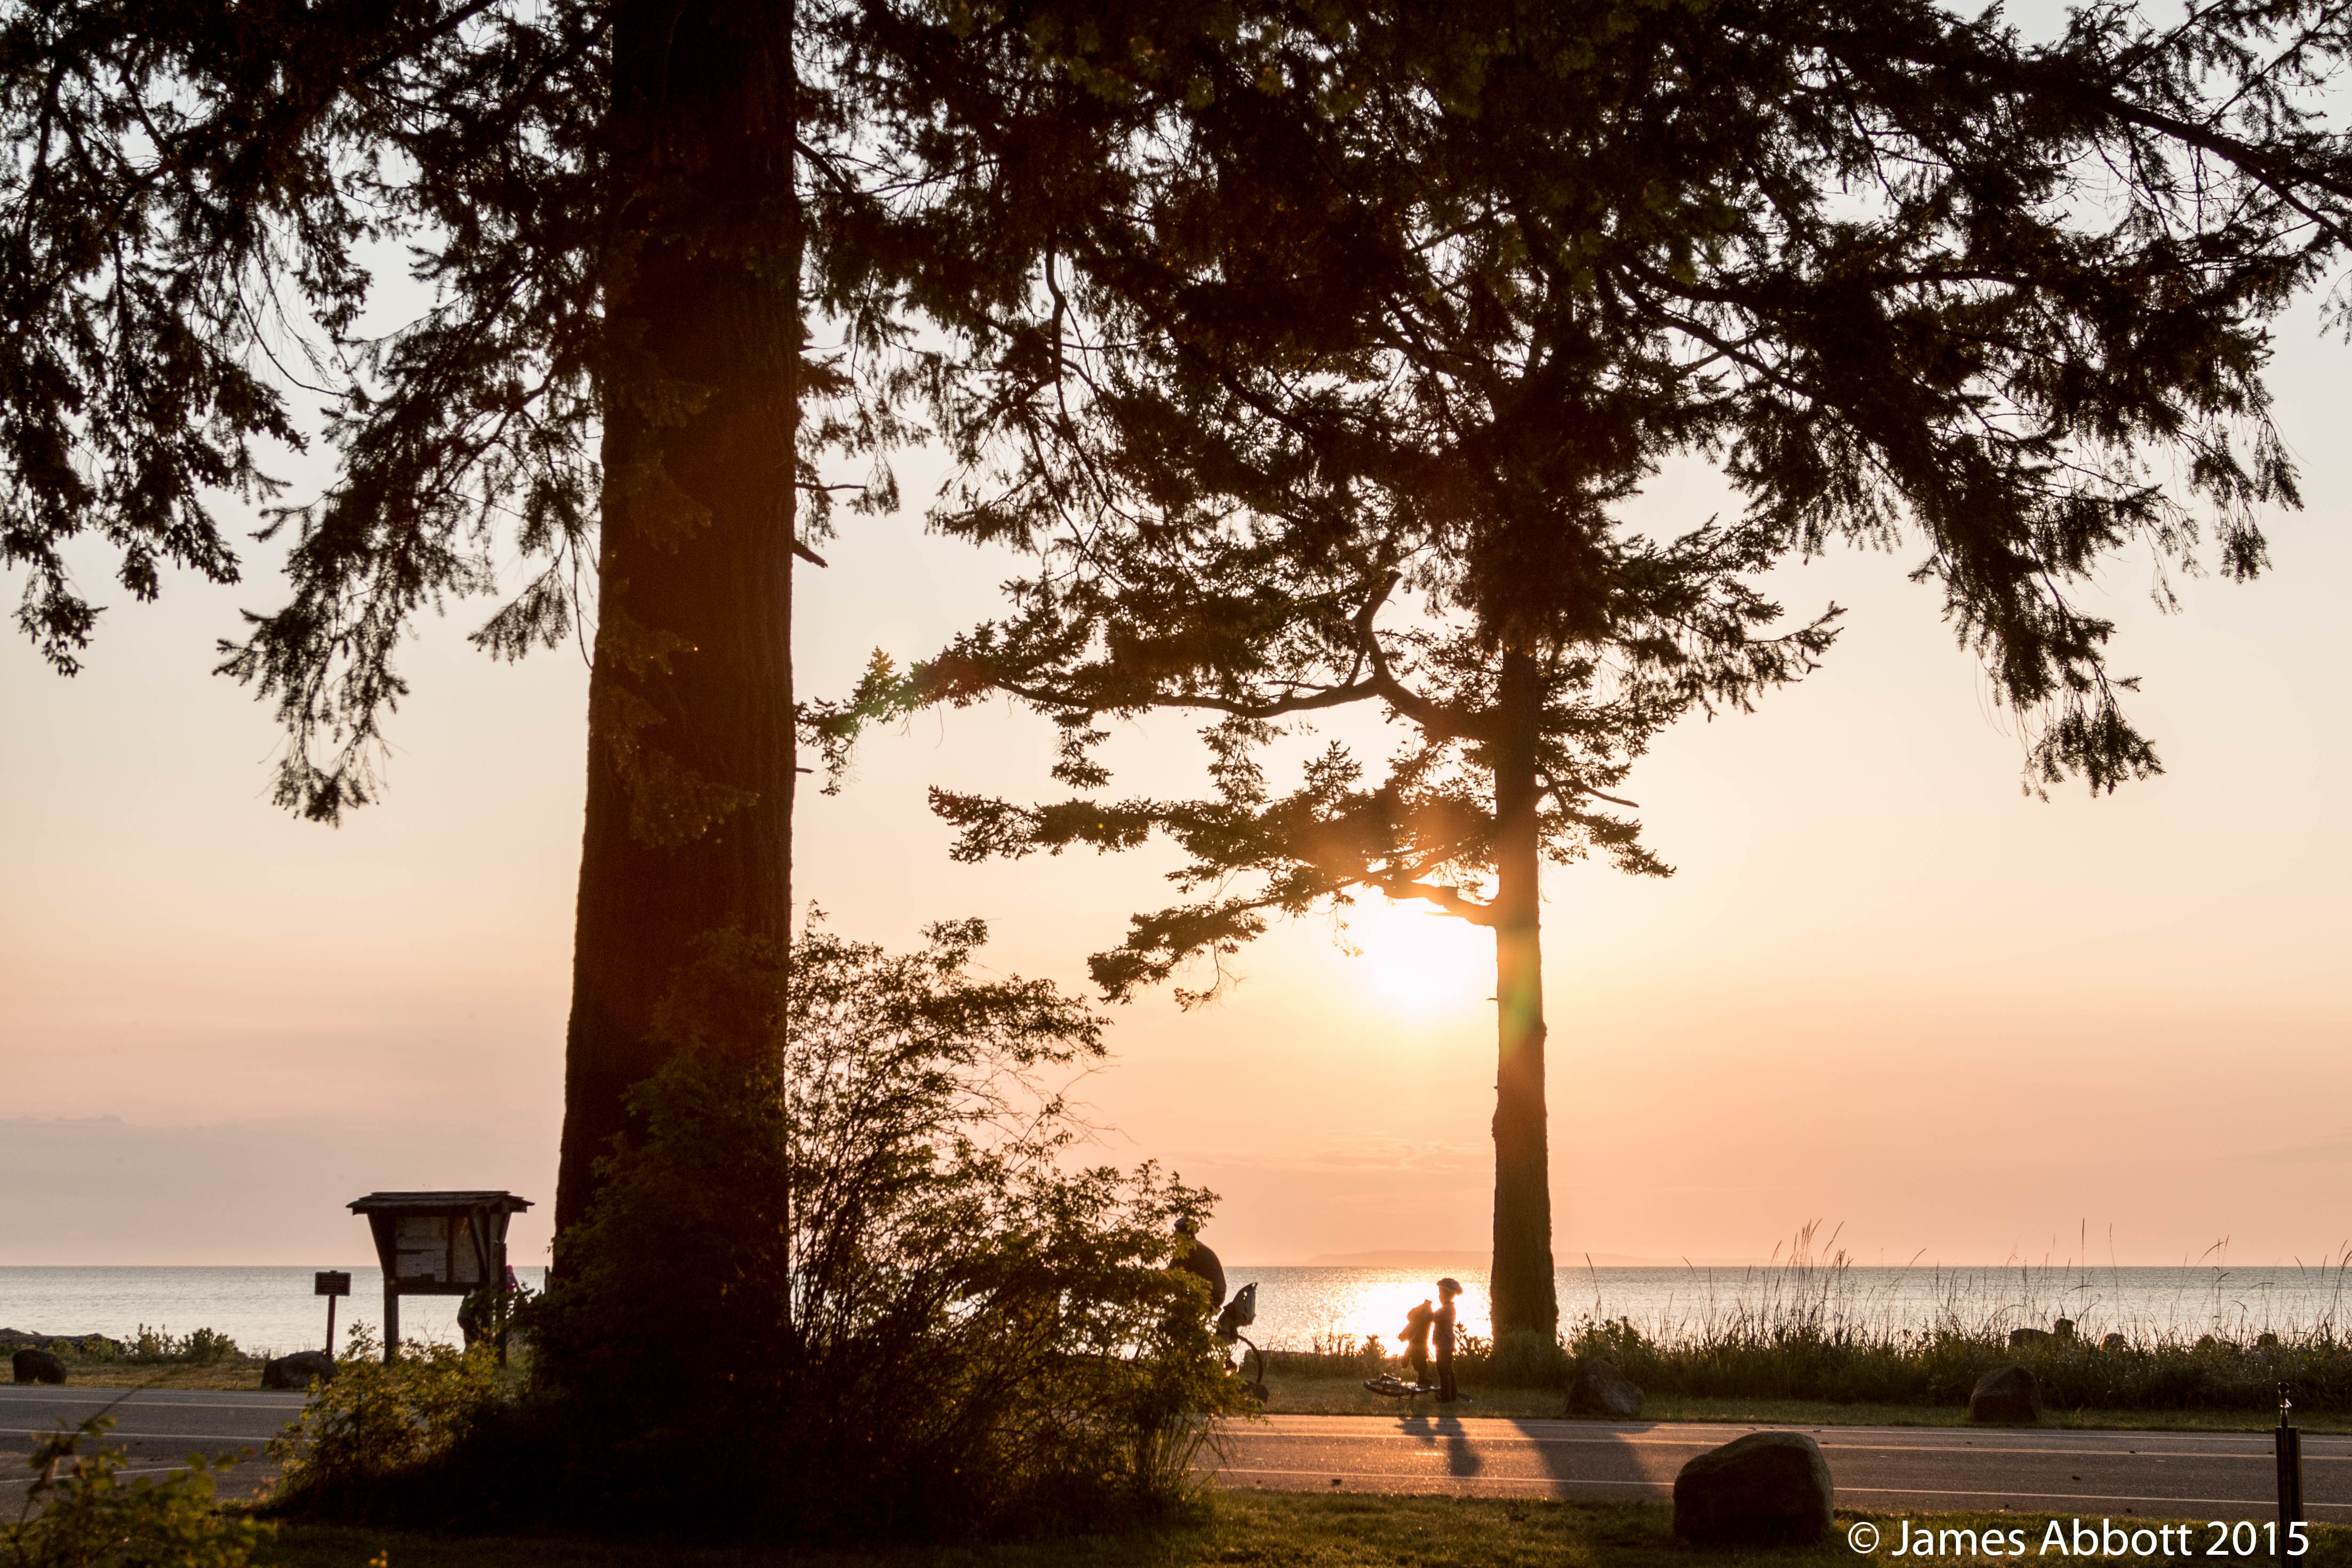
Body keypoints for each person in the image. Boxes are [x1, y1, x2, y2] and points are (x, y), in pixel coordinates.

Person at [1170, 1216, 1227, 1312]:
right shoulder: (1198, 1246)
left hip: (1207, 1297)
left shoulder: (1186, 1249)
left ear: (1184, 1234)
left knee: (1178, 1312)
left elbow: (1171, 1273)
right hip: (1218, 1295)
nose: (1174, 1234)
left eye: (1177, 1231)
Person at [1433, 1277, 1463, 1404]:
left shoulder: (1446, 1310)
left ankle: (1446, 1397)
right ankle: (1452, 1395)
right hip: (1447, 1344)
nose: (1439, 1296)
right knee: (1449, 1371)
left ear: (1445, 1294)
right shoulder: (1450, 1308)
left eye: (1440, 1293)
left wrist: (1425, 1312)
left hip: (1443, 1345)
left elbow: (1433, 1317)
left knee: (1444, 1372)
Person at [1399, 1298, 1435, 1389]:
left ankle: (1425, 1380)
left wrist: (1403, 1336)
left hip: (1417, 1345)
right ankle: (1424, 1380)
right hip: (1419, 1345)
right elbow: (1407, 1332)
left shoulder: (1418, 1320)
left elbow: (1407, 1333)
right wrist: (1403, 1336)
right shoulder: (1419, 1318)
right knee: (1420, 1365)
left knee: (1420, 1365)